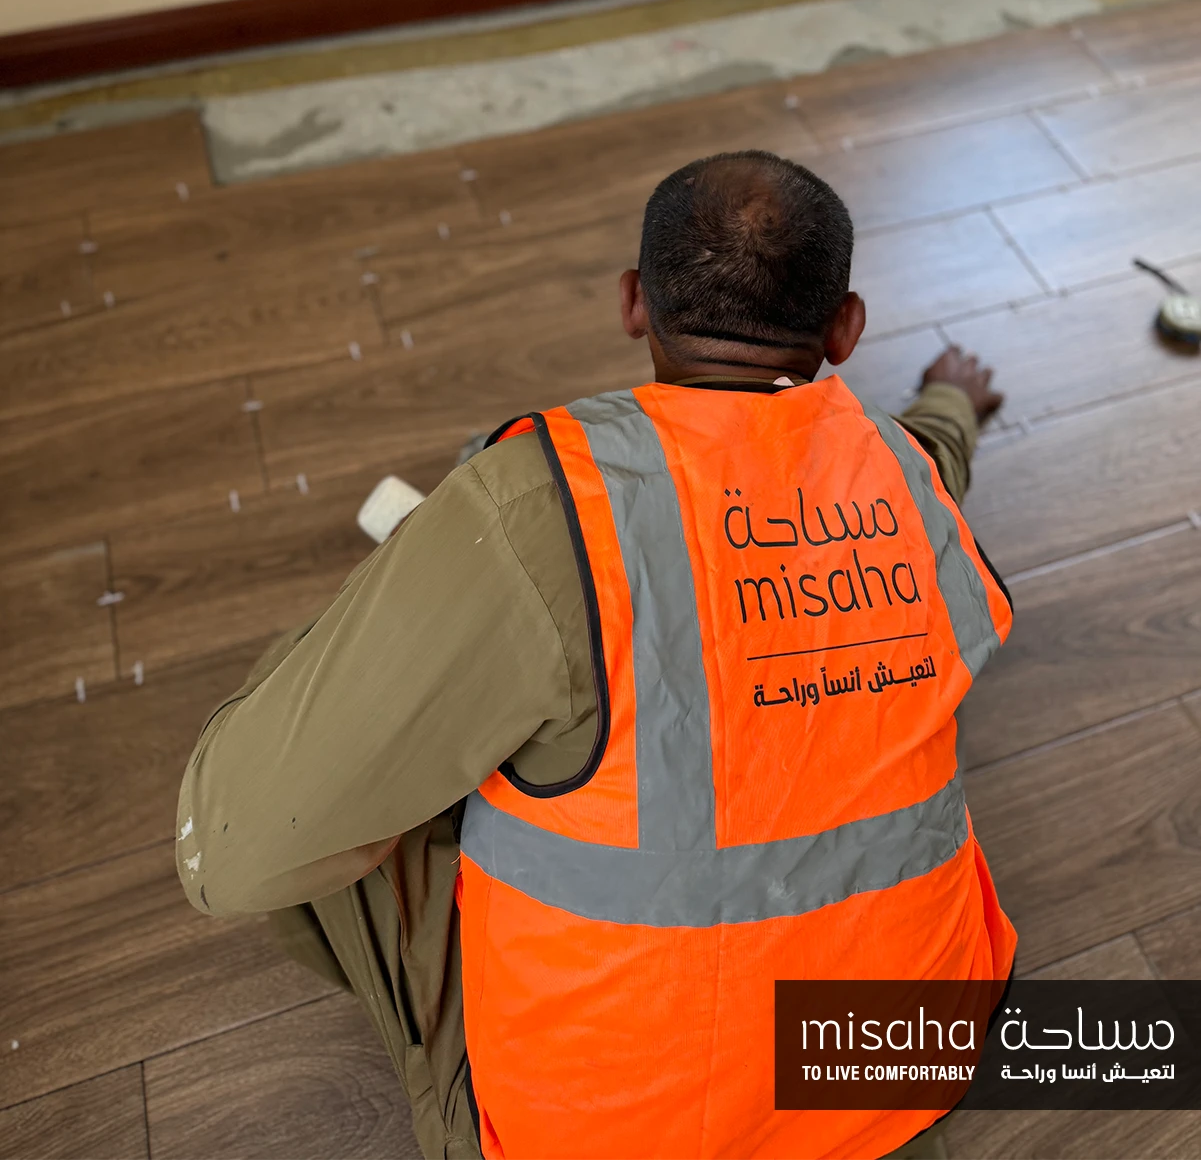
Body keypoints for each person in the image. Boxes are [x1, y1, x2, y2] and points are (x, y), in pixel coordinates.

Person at [178, 150, 1014, 1160]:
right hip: (899, 1069)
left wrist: (416, 583)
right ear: (844, 330)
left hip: (618, 1134)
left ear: (632, 303)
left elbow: (235, 857)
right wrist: (950, 399)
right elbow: (934, 456)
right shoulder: (906, 474)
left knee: (315, 713)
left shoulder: (536, 503)